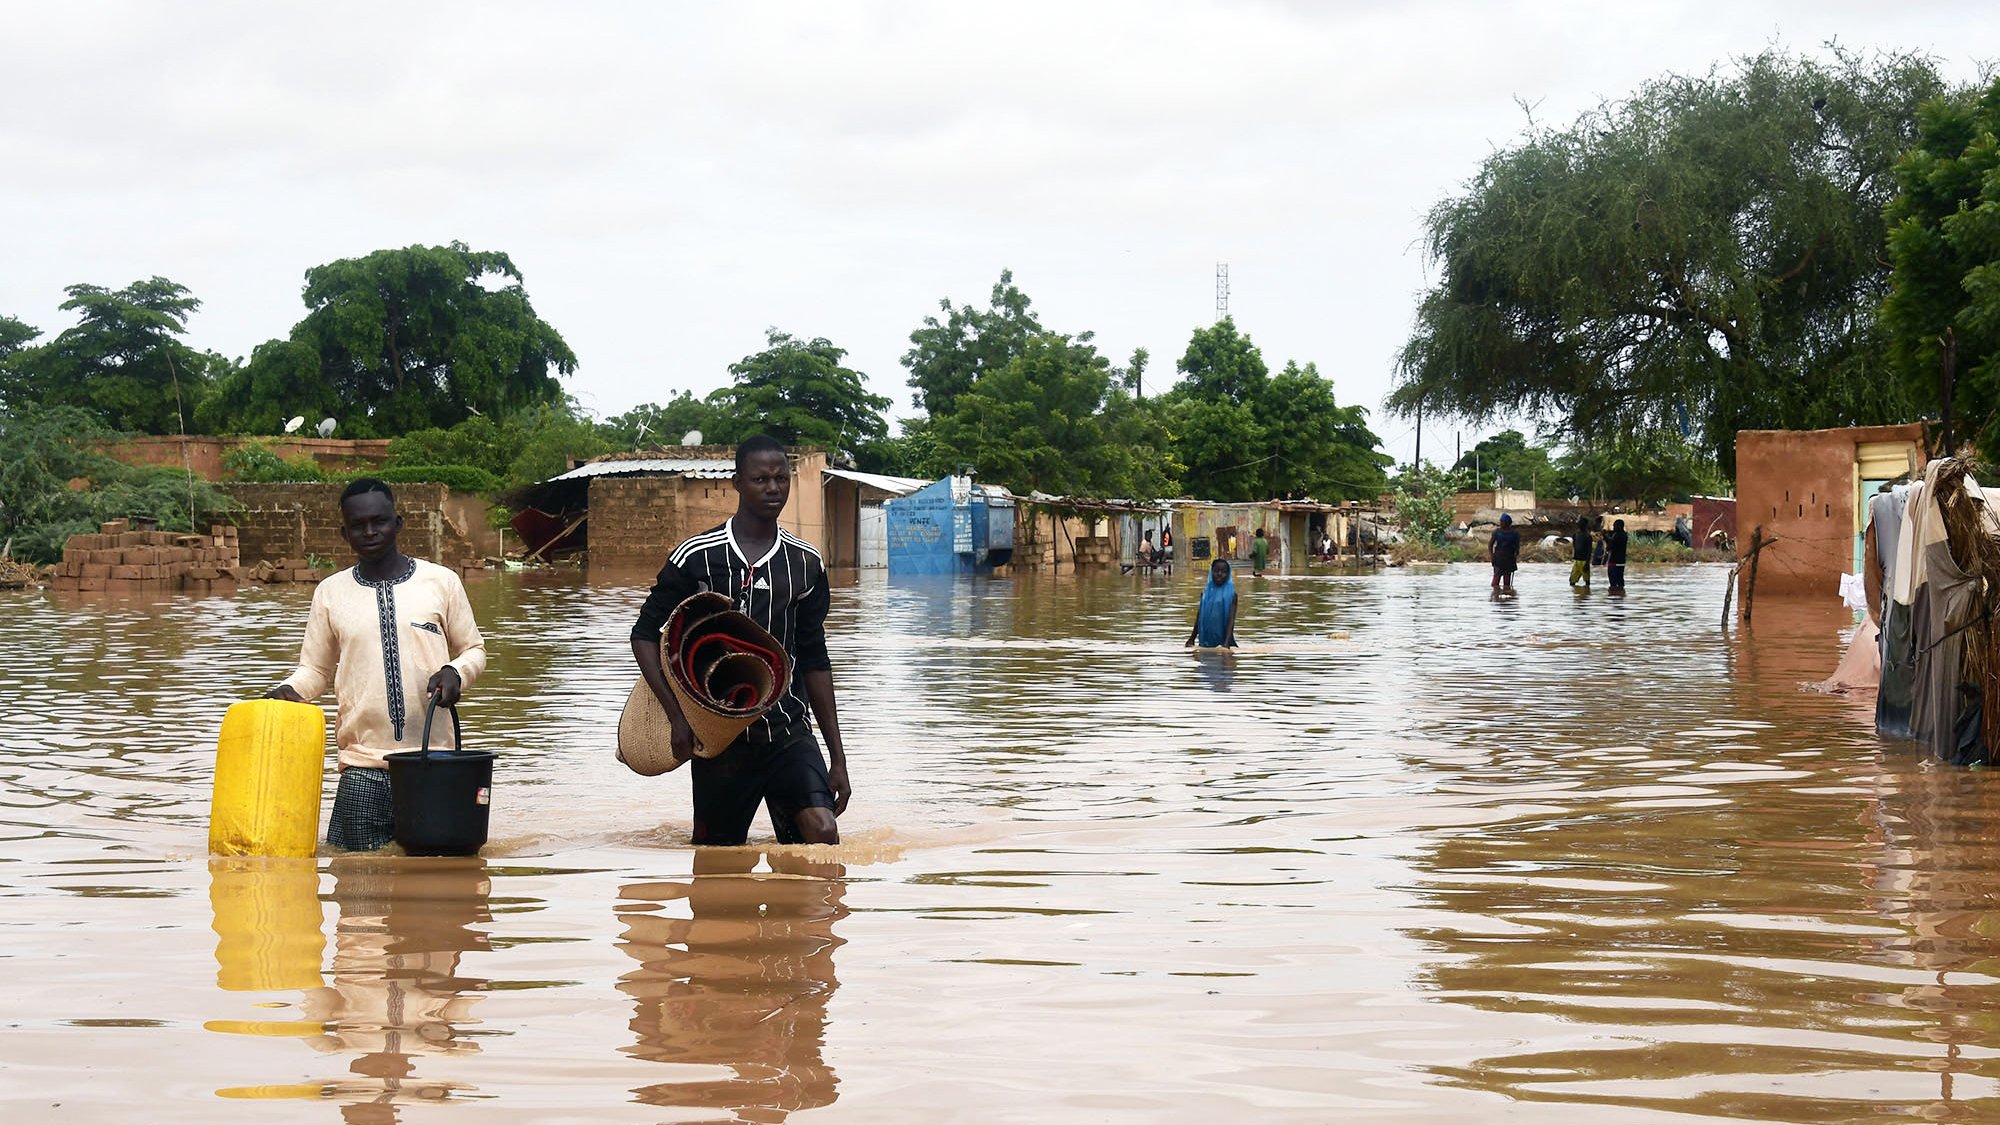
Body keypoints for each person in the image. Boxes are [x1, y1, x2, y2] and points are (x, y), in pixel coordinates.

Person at [629, 435, 851, 847]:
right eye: (760, 479)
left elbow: (816, 660)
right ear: (737, 483)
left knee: (822, 832)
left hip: (787, 730)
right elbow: (643, 635)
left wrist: (838, 758)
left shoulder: (805, 564)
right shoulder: (696, 557)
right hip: (719, 741)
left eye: (781, 479)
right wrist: (677, 716)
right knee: (717, 862)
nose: (773, 488)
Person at [266, 478, 487, 852]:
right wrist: (288, 691)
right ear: (344, 532)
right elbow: (316, 670)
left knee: (438, 888)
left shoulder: (441, 582)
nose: (370, 531)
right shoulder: (330, 593)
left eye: (379, 521)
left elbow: (474, 650)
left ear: (397, 523)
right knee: (356, 885)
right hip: (362, 765)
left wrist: (456, 672)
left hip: (434, 764)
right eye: (358, 525)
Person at [1185, 559, 1239, 649]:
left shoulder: (1232, 595)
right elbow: (1199, 616)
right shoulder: (1205, 594)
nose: (1220, 574)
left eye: (1224, 572)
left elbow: (1231, 620)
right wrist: (1192, 638)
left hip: (1223, 641)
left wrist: (1226, 643)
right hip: (1205, 640)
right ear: (1211, 572)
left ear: (1228, 574)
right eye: (1216, 571)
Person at [1489, 513, 1520, 595]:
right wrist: (1492, 556)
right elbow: (1490, 544)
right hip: (1498, 558)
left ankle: (1507, 594)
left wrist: (1516, 554)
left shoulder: (1515, 533)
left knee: (1507, 581)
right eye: (1500, 521)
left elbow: (1517, 546)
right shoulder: (1497, 532)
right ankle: (1495, 594)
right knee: (1496, 579)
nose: (1501, 523)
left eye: (1502, 521)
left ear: (1508, 523)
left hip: (1509, 558)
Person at [1605, 518, 1630, 591]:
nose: (1613, 527)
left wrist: (1605, 537)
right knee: (1620, 581)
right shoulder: (1624, 535)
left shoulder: (1617, 535)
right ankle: (1620, 595)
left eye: (1615, 526)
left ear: (1619, 526)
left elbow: (1610, 546)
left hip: (1614, 562)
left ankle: (1615, 595)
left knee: (1613, 583)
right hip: (1621, 562)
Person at [1569, 516, 1593, 589]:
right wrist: (1573, 555)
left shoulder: (1588, 536)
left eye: (1581, 523)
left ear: (1585, 525)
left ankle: (1586, 595)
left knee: (1587, 581)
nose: (1580, 525)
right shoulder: (1576, 534)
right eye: (1579, 523)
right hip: (1577, 560)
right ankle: (1577, 595)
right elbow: (1574, 545)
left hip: (1584, 561)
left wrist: (1587, 562)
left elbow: (1589, 550)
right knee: (1572, 581)